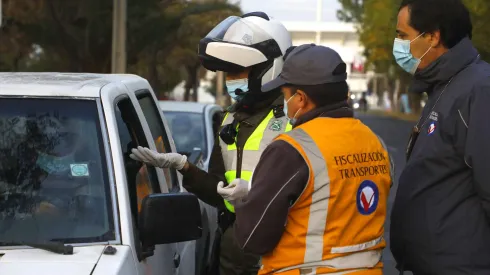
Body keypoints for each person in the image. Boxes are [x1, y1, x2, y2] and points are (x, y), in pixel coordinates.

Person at [129, 11, 293, 275]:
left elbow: (310, 189)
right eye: (227, 73)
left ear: (268, 67)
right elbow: (219, 191)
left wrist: (253, 192)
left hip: (277, 256)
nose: (231, 80)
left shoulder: (293, 119)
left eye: (238, 71)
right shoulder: (229, 120)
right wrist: (184, 167)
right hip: (232, 255)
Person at [217, 44, 393, 275]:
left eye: (285, 95)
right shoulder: (375, 142)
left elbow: (253, 239)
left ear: (300, 98)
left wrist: (246, 201)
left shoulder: (290, 149)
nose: (284, 102)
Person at [389, 0, 490, 274]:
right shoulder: (444, 86)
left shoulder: (479, 90)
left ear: (432, 37)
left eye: (402, 35)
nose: (397, 43)